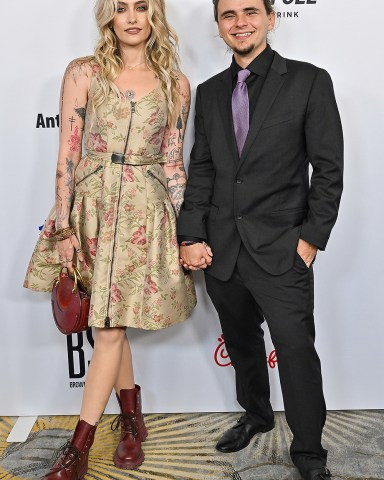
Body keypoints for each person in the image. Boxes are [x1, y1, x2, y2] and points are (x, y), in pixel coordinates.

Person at [24, 0, 196, 477]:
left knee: (111, 327)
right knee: (110, 324)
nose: (133, 17)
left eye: (143, 6)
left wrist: (184, 232)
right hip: (92, 207)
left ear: (156, 15)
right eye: (122, 8)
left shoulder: (176, 85)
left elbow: (172, 163)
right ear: (110, 17)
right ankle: (130, 421)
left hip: (146, 211)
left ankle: (79, 447)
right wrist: (62, 226)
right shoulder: (84, 72)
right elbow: (67, 155)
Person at [177, 0, 343, 479]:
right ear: (218, 27)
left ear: (271, 18)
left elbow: (329, 168)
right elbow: (202, 170)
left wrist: (311, 238)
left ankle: (309, 455)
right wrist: (190, 233)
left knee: (294, 349)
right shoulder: (209, 94)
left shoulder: (310, 81)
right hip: (221, 249)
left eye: (251, 11)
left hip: (283, 247)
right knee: (243, 342)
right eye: (228, 15)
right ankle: (256, 414)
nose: (240, 22)